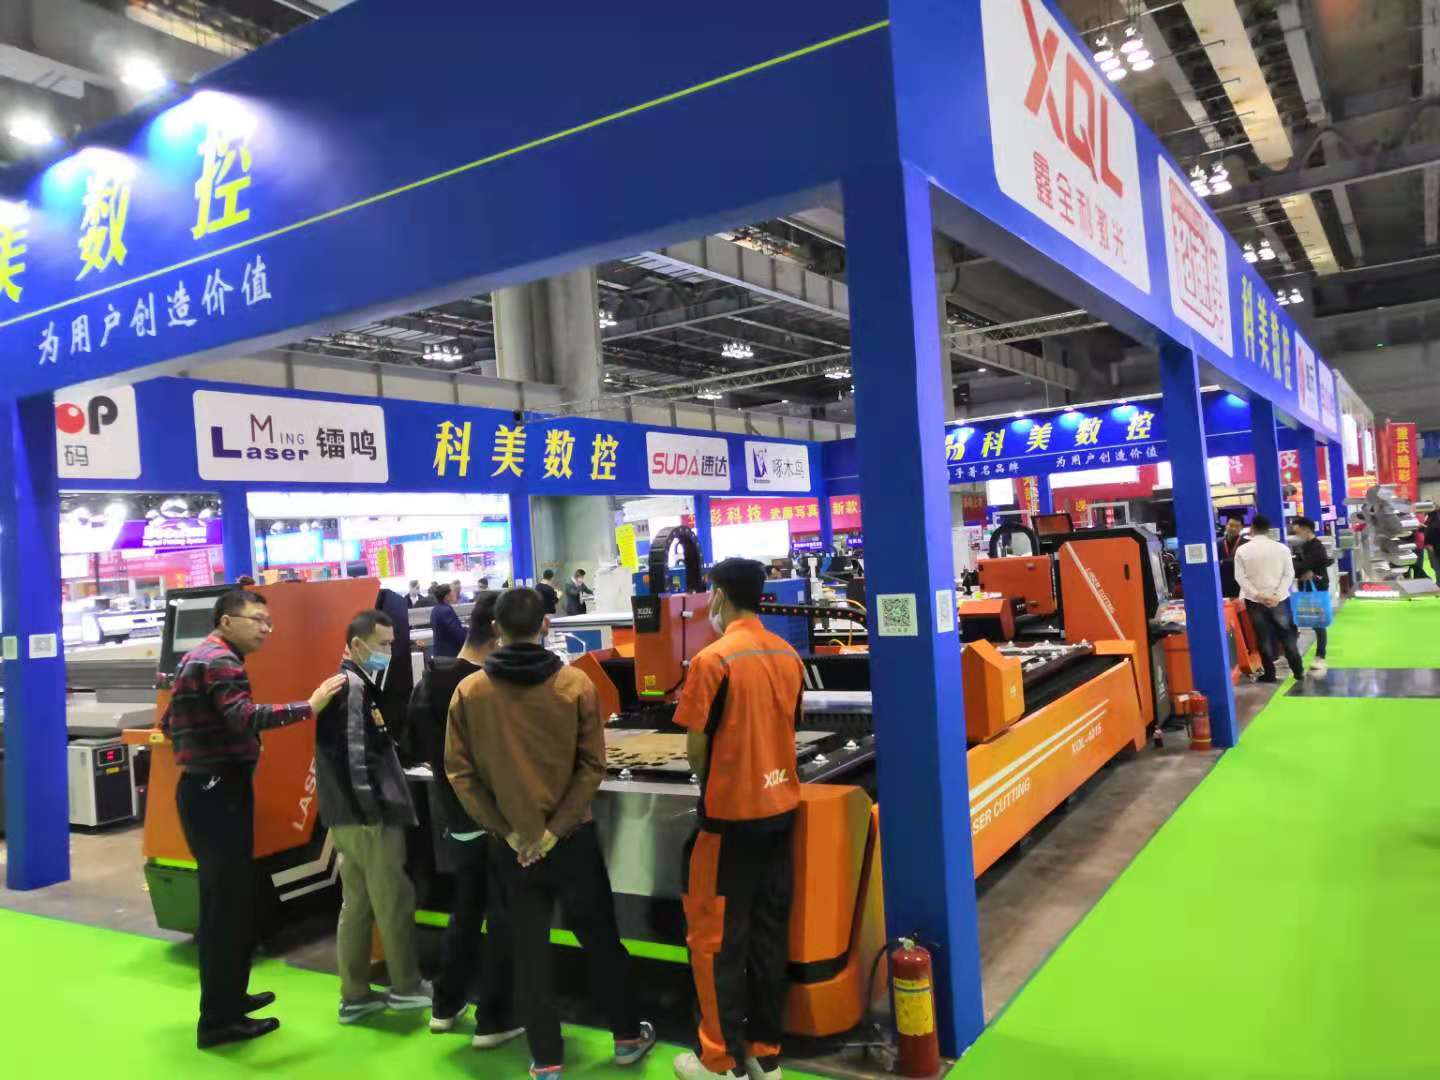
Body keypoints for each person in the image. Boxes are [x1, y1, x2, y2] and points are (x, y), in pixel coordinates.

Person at [446, 588, 655, 1076]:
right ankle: (626, 1036)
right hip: (572, 840)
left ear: (495, 629)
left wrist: (508, 832)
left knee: (529, 951)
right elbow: (592, 765)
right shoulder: (575, 684)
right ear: (545, 625)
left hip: (512, 848)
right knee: (600, 938)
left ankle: (546, 1060)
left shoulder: (470, 692)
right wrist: (555, 829)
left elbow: (460, 774)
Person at [163, 590, 346, 1049]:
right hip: (218, 792)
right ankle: (219, 1022)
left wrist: (206, 744)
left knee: (226, 903)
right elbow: (245, 717)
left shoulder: (199, 657)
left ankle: (228, 999)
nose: (266, 628)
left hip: (204, 789)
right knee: (226, 908)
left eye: (269, 621)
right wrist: (310, 706)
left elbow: (169, 724)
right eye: (258, 619)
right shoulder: (221, 662)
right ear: (227, 621)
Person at [671, 558, 803, 1080]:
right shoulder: (787, 654)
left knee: (714, 941)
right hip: (781, 814)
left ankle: (718, 1060)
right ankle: (765, 1053)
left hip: (728, 825)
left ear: (721, 596)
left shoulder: (713, 660)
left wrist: (714, 785)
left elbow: (696, 746)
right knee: (768, 936)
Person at [406, 592, 516, 1042]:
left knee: (466, 909)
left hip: (453, 815)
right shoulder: (483, 687)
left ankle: (445, 1004)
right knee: (503, 914)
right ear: (497, 631)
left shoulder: (428, 681)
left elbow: (413, 748)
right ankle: (495, 1018)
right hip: (492, 819)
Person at [313, 611, 430, 1022]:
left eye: (391, 643)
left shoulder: (347, 684)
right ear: (357, 645)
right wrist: (370, 811)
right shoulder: (354, 688)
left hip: (345, 816)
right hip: (368, 818)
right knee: (393, 900)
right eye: (383, 644)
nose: (389, 651)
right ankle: (407, 987)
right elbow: (356, 756)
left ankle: (355, 994)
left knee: (358, 904)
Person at [1234, 514, 1304, 683]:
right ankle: (1298, 671)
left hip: (1255, 601)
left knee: (1262, 637)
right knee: (1287, 635)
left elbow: (1240, 577)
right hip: (1279, 599)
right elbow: (1289, 574)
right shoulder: (1282, 549)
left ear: (1252, 528)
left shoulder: (1242, 550)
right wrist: (1277, 595)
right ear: (1268, 530)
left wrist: (1257, 595)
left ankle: (1270, 674)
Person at [1289, 518, 1333, 677]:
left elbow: (1301, 567)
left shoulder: (1316, 547)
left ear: (1306, 529)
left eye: (1297, 531)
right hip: (1306, 587)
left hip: (1317, 587)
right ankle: (1296, 653)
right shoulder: (1304, 547)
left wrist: (1301, 567)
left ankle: (1320, 656)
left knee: (1318, 623)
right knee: (1305, 619)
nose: (1296, 534)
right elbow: (1299, 568)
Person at [430, 583, 466, 659]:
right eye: (453, 591)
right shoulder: (446, 611)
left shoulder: (436, 609)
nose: (455, 593)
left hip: (440, 653)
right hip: (449, 655)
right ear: (447, 596)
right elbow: (457, 633)